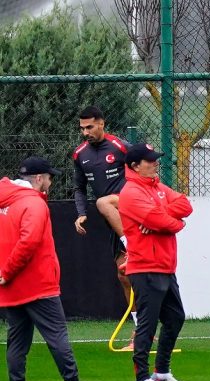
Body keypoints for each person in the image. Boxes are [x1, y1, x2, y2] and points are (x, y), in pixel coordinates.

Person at [0, 156, 110, 381]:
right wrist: (8, 270)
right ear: (39, 178)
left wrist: (5, 273)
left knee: (17, 341)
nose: (50, 183)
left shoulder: (6, 200)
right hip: (37, 284)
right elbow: (29, 241)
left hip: (11, 287)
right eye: (49, 178)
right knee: (57, 336)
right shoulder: (33, 203)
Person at [118, 143, 192, 381]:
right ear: (135, 166)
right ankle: (142, 380)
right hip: (145, 267)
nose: (155, 163)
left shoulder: (157, 187)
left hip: (165, 265)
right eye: (150, 161)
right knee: (147, 324)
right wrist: (176, 223)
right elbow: (160, 221)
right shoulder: (131, 192)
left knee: (175, 318)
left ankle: (161, 372)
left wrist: (164, 216)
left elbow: (185, 205)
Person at [72, 105, 138, 350]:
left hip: (132, 215)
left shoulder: (121, 147)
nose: (85, 132)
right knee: (124, 275)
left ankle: (146, 330)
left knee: (137, 273)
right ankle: (141, 329)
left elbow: (144, 172)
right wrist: (81, 213)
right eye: (82, 128)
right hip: (111, 222)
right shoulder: (80, 154)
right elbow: (79, 188)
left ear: (101, 123)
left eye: (89, 127)